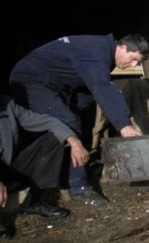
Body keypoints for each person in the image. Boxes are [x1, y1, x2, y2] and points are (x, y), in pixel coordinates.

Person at [9, 33, 148, 205]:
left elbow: (89, 86)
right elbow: (101, 87)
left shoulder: (102, 50)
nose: (132, 65)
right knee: (69, 123)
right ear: (122, 47)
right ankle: (78, 187)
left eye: (137, 63)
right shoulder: (96, 52)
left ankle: (65, 170)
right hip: (29, 82)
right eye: (133, 59)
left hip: (53, 83)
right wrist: (123, 124)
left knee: (81, 109)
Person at [1, 94, 90, 235]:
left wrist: (74, 141)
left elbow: (48, 122)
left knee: (55, 137)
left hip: (10, 168)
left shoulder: (7, 104)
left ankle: (33, 201)